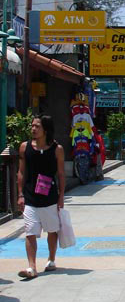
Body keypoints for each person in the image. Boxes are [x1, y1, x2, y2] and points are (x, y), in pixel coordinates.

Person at [17, 114, 66, 279]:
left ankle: (51, 259)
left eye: (37, 126)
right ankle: (31, 267)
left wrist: (61, 197)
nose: (33, 129)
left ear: (45, 129)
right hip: (30, 197)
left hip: (50, 197)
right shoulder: (25, 147)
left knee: (52, 230)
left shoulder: (56, 149)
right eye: (32, 126)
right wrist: (20, 194)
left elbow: (61, 174)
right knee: (30, 232)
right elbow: (21, 172)